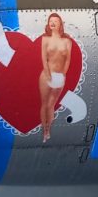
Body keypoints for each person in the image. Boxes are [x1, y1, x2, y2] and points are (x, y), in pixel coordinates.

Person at [39, 13, 72, 142]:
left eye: (55, 21)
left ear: (60, 24)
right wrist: (48, 75)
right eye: (50, 21)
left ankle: (48, 129)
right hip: (46, 76)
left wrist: (63, 74)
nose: (52, 23)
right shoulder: (45, 39)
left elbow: (68, 60)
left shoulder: (67, 41)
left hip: (59, 76)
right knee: (44, 104)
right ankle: (45, 131)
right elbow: (43, 58)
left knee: (51, 105)